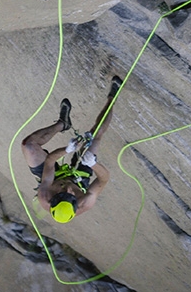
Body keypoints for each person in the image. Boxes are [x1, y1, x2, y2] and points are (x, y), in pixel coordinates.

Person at [21, 76, 123, 223]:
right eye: (71, 194)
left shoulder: (44, 195)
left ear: (52, 199)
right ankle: (112, 98)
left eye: (61, 192)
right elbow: (104, 178)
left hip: (54, 177)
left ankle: (62, 124)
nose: (68, 189)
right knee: (95, 137)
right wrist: (93, 163)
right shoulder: (85, 202)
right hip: (80, 178)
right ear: (76, 203)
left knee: (28, 146)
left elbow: (50, 162)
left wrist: (67, 150)